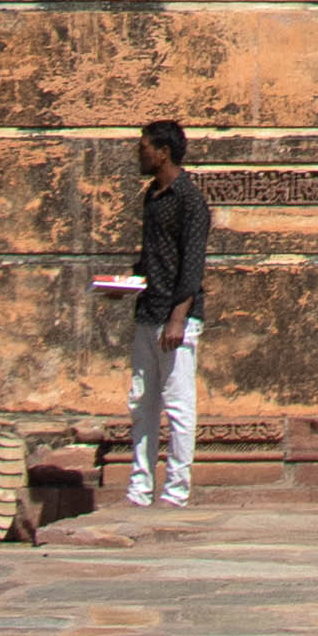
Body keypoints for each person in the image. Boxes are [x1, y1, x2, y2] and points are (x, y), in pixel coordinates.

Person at [103, 113, 211, 518]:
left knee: (178, 404)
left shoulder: (190, 200)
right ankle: (139, 486)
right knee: (141, 402)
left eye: (144, 146)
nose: (139, 153)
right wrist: (125, 286)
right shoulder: (152, 197)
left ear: (163, 152)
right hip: (148, 312)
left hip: (176, 317)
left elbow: (192, 264)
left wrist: (178, 318)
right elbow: (151, 261)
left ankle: (176, 491)